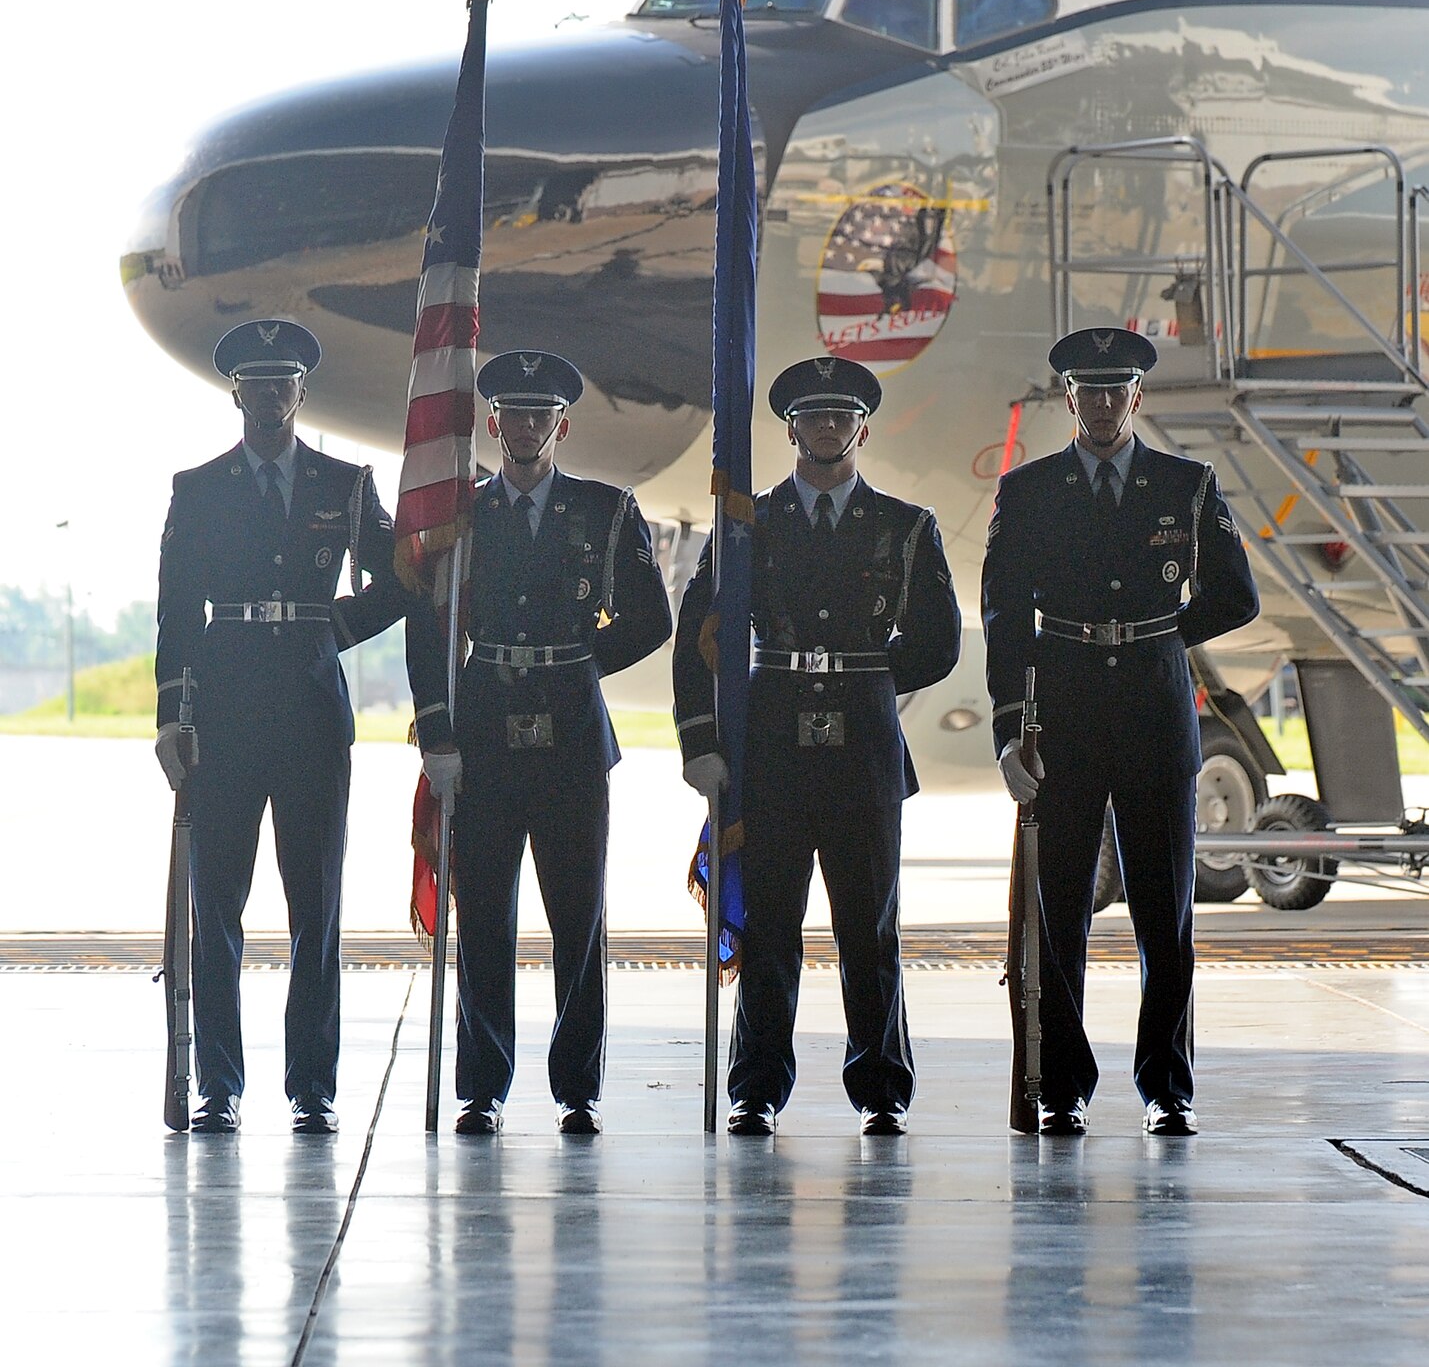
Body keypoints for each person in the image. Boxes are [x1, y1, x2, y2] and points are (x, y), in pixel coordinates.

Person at [982, 327, 1260, 1137]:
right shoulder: (1028, 491)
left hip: (1152, 704)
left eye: (1115, 392)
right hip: (1063, 707)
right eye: (1086, 391)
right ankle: (1061, 1085)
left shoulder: (1186, 484)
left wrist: (1164, 630)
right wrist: (1009, 730)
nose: (1101, 405)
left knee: (1162, 910)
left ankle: (1166, 1086)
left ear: (1136, 398)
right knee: (1057, 907)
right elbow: (1002, 616)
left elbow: (1236, 594)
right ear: (1066, 399)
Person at [673, 355, 961, 1137]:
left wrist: (866, 673)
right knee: (770, 929)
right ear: (789, 429)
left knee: (868, 929)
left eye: (840, 418)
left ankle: (880, 1089)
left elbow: (938, 642)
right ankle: (756, 1088)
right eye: (811, 418)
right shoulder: (747, 524)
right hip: (772, 744)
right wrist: (700, 742)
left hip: (863, 746)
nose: (826, 429)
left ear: (860, 429)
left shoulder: (905, 526)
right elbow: (694, 634)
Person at [154, 318, 410, 1135]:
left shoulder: (345, 482)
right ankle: (218, 1088)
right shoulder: (198, 487)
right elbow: (173, 615)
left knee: (316, 909)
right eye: (256, 383)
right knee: (216, 909)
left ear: (304, 391)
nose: (270, 395)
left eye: (284, 382)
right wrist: (171, 716)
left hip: (309, 705)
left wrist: (340, 626)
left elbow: (401, 575)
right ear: (237, 392)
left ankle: (312, 1089)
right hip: (224, 707)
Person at [408, 351, 672, 1136]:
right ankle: (481, 1087)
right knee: (484, 914)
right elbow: (429, 629)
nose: (525, 429)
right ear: (491, 424)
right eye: (512, 415)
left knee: (577, 918)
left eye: (540, 416)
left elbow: (651, 619)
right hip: (485, 721)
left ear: (562, 424)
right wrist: (438, 732)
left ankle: (576, 1089)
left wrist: (583, 661)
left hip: (571, 732)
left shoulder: (606, 509)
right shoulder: (462, 513)